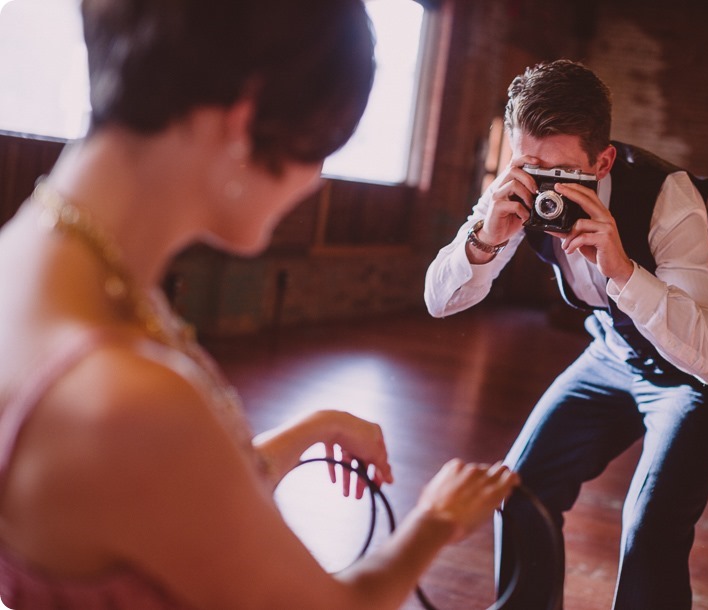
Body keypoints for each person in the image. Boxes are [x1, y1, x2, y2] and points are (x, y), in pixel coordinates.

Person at [0, 1, 518, 609]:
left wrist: (306, 430)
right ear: (245, 118)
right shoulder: (124, 398)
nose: (316, 180)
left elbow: (158, 500)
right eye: (324, 143)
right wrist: (437, 520)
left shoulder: (40, 267)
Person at [424, 59, 708, 609]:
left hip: (703, 373)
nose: (545, 186)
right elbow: (439, 300)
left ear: (602, 159)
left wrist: (625, 271)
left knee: (651, 531)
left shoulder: (666, 197)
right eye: (529, 163)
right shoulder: (519, 185)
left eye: (561, 171)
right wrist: (485, 237)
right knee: (519, 492)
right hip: (613, 352)